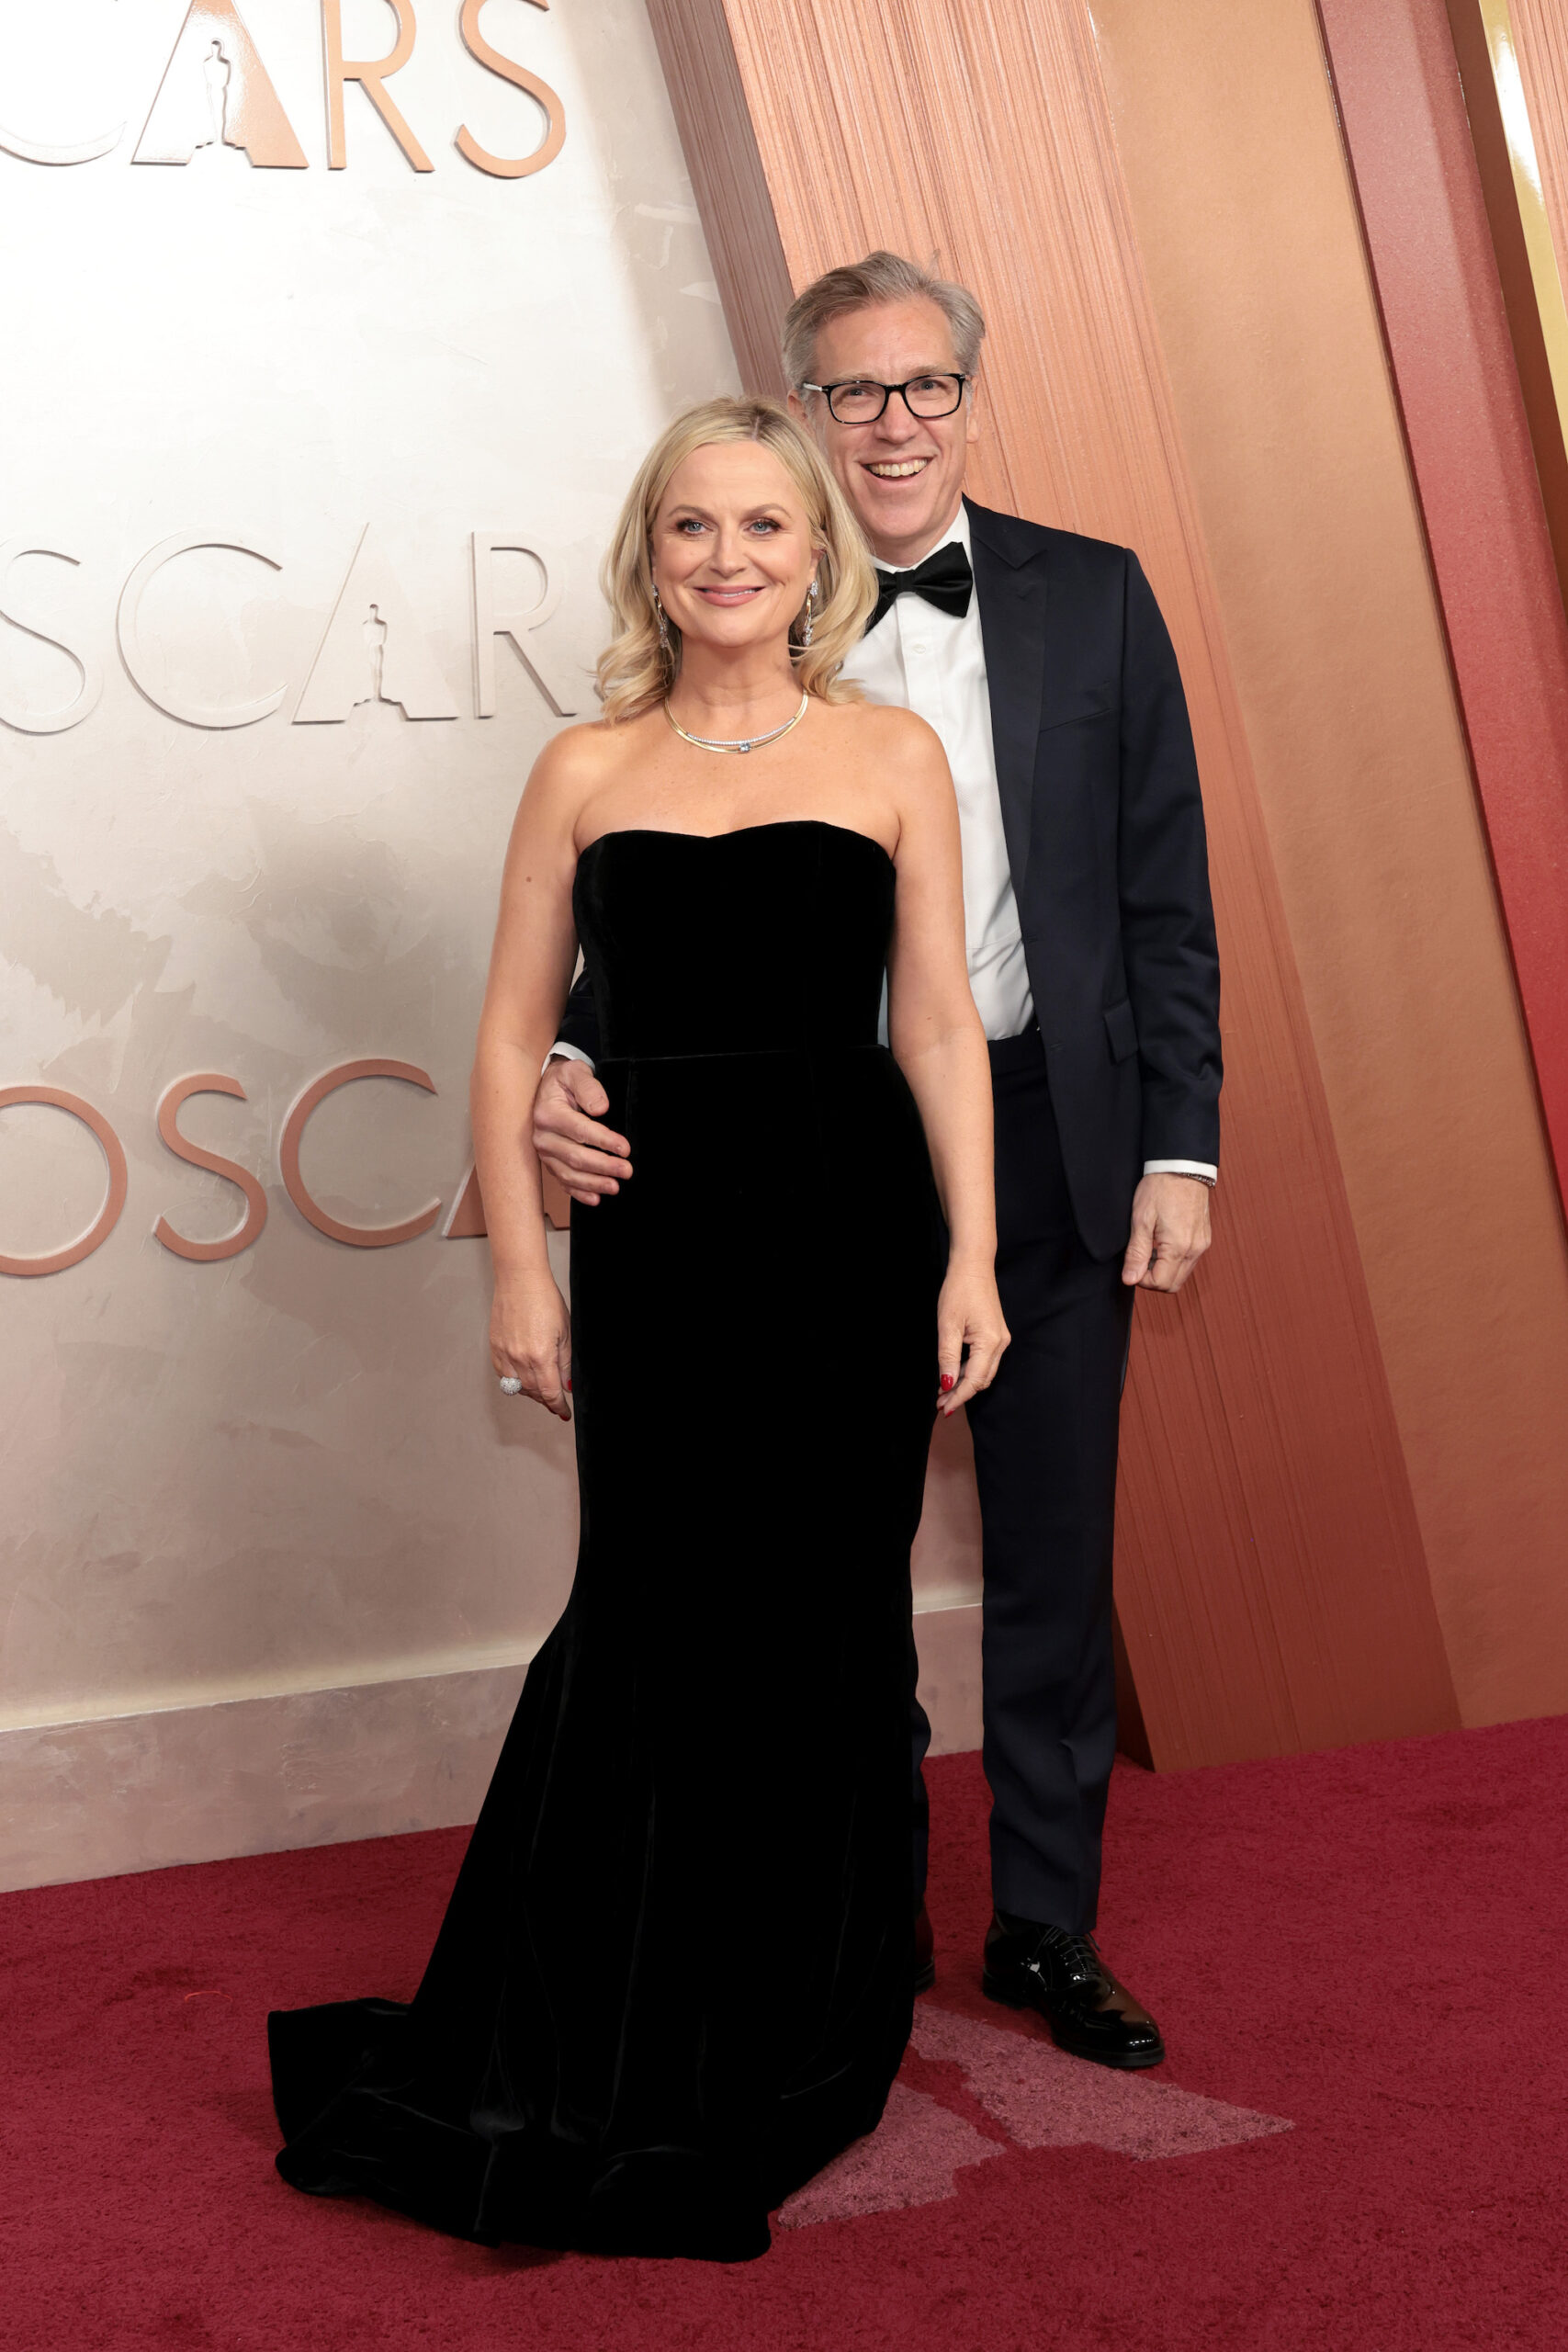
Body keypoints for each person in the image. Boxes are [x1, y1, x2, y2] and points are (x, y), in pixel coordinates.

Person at [266, 395, 1009, 2262]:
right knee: (660, 1619)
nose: (730, 557)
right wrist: (520, 1262)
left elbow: (930, 1027)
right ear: (650, 554)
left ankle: (814, 2000)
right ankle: (619, 2015)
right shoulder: (583, 768)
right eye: (694, 527)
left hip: (848, 1225)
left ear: (814, 554)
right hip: (659, 1242)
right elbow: (512, 1038)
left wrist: (971, 1256)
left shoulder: (895, 750)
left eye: (765, 524)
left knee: (828, 1614)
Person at [536, 254, 1222, 2070]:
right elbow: (678, 903)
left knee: (1049, 1558)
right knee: (819, 1558)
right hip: (810, 1150)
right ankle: (851, 1918)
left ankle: (1042, 1924)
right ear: (802, 406)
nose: (892, 422)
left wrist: (1178, 1145)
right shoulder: (750, 611)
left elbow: (1166, 897)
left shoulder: (1094, 597)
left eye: (923, 386)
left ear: (967, 397)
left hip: (1056, 1138)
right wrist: (567, 1055)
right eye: (852, 392)